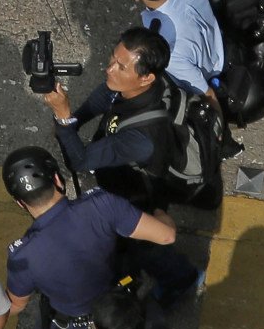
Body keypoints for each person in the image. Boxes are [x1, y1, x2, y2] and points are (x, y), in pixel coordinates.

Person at [0, 145, 183, 329]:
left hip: (70, 325)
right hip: (117, 304)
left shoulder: (22, 256)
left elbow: (16, 305)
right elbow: (167, 235)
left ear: (20, 202)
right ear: (58, 180)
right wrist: (161, 213)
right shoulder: (101, 205)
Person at [38, 25, 216, 216]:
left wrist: (64, 119)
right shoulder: (150, 82)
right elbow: (106, 95)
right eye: (113, 57)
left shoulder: (142, 138)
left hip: (136, 194)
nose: (109, 69)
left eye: (121, 67)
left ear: (146, 78)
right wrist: (76, 121)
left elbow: (78, 162)